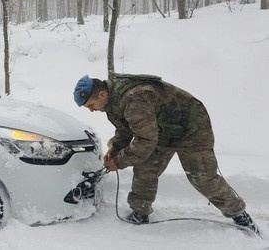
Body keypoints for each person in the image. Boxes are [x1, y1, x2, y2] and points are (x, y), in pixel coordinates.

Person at [73, 74, 260, 234]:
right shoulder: (111, 103)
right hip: (160, 131)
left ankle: (239, 215)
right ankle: (140, 212)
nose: (91, 110)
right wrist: (114, 150)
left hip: (191, 128)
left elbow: (145, 140)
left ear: (102, 93)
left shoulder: (134, 98)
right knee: (145, 168)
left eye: (91, 105)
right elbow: (125, 130)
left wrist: (120, 161)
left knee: (202, 177)